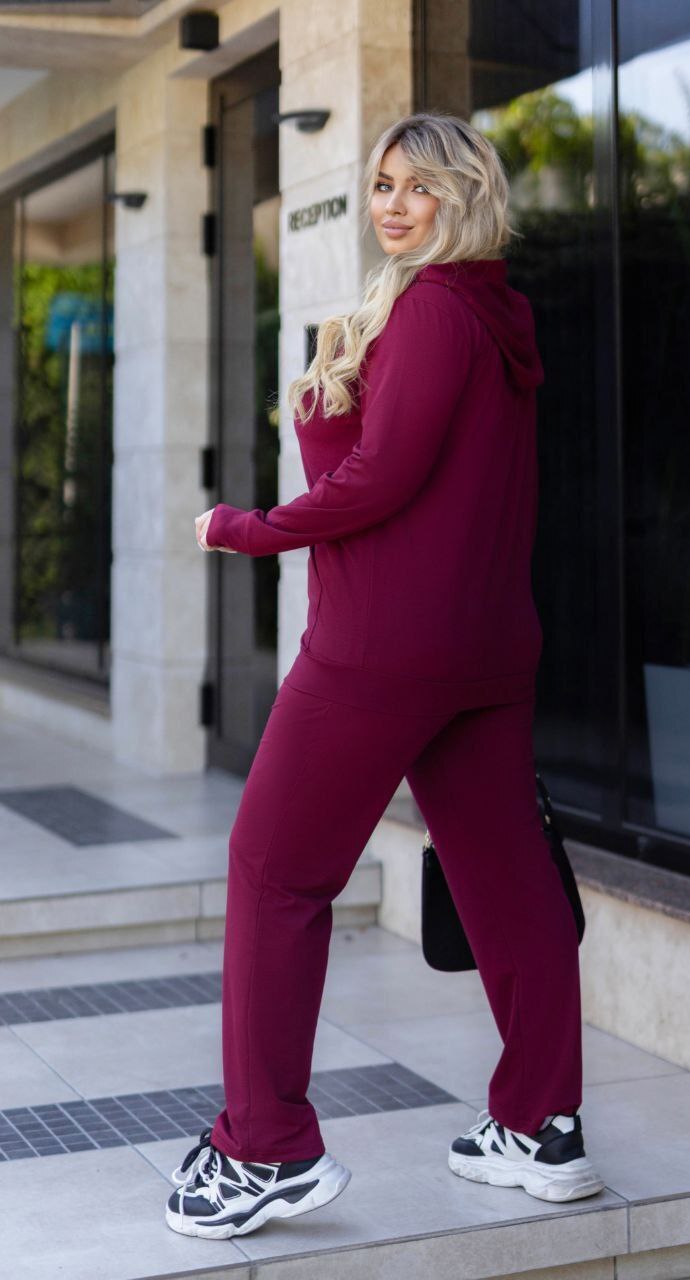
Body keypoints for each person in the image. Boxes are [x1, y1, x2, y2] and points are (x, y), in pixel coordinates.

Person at [166, 111, 604, 1240]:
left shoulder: (433, 311)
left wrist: (245, 527)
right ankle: (542, 1124)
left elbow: (378, 479)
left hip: (380, 647)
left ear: (466, 194)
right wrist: (340, 372)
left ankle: (262, 1147)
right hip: (485, 648)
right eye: (382, 184)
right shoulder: (496, 315)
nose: (394, 205)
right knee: (506, 881)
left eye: (420, 185)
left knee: (273, 870)